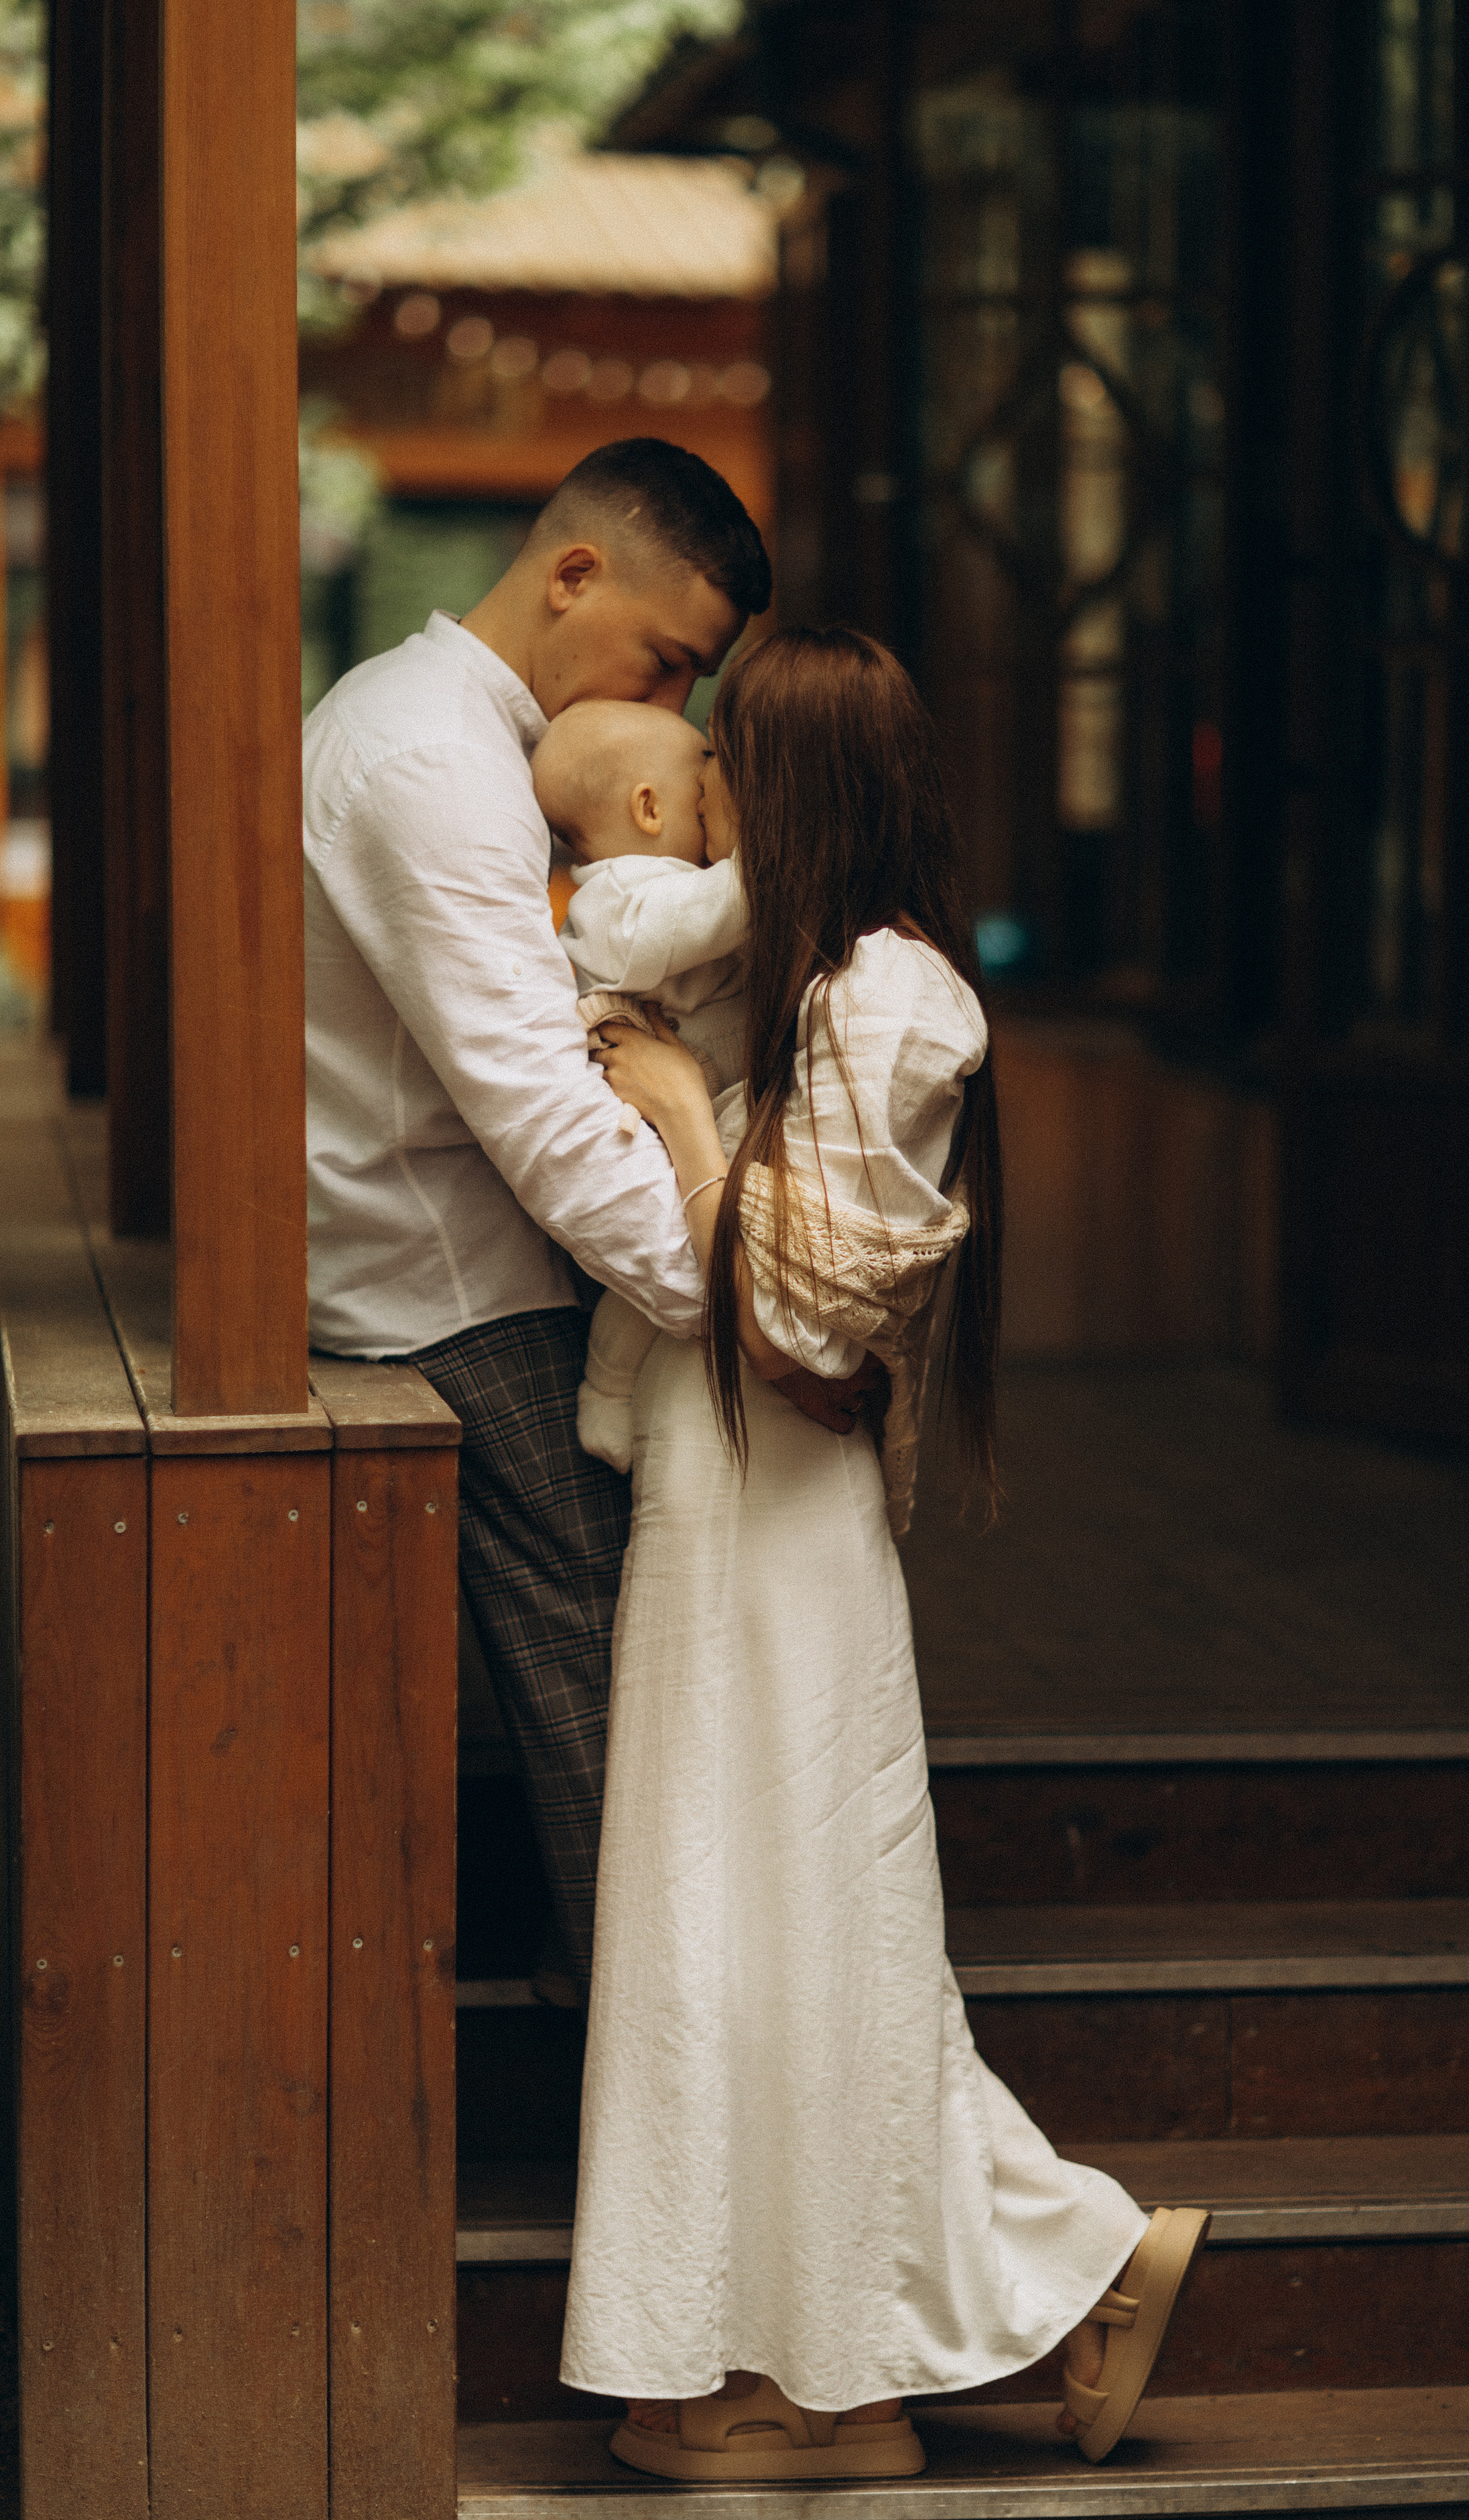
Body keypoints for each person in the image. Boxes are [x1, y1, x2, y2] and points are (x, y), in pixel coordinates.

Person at [560, 627, 1207, 2478]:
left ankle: (1021, 2283)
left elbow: (790, 1323)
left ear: (798, 794)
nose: (701, 806)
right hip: (719, 1501)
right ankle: (804, 2378)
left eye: (732, 770)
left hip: (781, 1517)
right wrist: (698, 905)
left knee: (793, 1930)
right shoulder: (796, 968)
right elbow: (606, 933)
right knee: (738, 1933)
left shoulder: (895, 1001)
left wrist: (678, 1112)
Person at [302, 438, 868, 2003]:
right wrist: (747, 1291)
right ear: (571, 573)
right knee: (632, 1677)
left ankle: (654, 2042)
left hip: (485, 1253)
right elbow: (544, 1108)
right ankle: (669, 2059)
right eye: (672, 658)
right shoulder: (429, 763)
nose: (674, 716)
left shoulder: (459, 745)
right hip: (446, 1285)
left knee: (663, 1662)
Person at [532, 697, 748, 1473]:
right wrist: (775, 855)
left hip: (707, 1093)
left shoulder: (658, 882)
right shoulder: (620, 897)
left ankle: (613, 1389)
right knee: (647, 1289)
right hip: (657, 1125)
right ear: (649, 808)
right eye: (704, 788)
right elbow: (709, 917)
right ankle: (607, 1391)